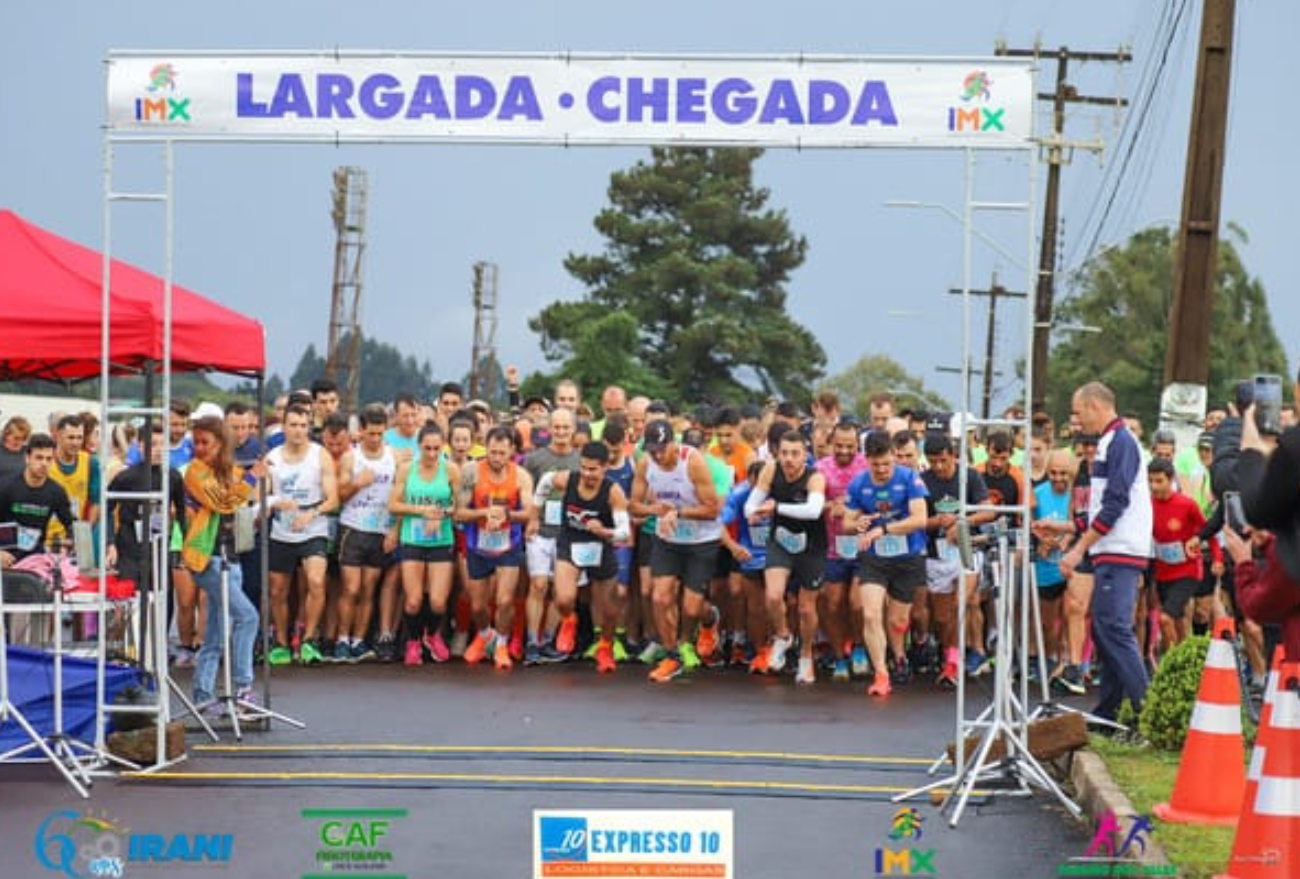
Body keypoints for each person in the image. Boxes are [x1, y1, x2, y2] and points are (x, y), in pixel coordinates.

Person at [1060, 382, 1153, 723]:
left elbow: (1116, 503)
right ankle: (1110, 714)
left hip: (1120, 549)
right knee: (1104, 629)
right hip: (1110, 549)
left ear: (1095, 406)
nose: (1076, 420)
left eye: (1078, 412)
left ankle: (1146, 712)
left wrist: (1078, 549)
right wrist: (1068, 530)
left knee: (1113, 628)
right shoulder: (1110, 442)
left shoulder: (1120, 441)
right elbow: (1102, 506)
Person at [629, 419, 723, 682]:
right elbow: (633, 505)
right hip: (668, 539)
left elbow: (713, 508)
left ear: (674, 442)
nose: (658, 455)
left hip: (701, 540)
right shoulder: (646, 463)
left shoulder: (692, 462)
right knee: (660, 597)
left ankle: (709, 618)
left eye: (662, 449)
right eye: (653, 450)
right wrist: (654, 510)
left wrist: (677, 512)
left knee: (691, 608)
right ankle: (672, 656)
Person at [180, 415, 262, 709]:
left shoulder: (232, 471)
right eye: (197, 442)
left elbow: (244, 503)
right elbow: (223, 502)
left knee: (214, 633)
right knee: (248, 616)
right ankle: (243, 687)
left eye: (206, 443)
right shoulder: (195, 471)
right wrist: (252, 479)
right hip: (206, 557)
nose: (200, 448)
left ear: (221, 444)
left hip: (232, 557)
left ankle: (202, 697)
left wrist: (253, 481)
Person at [844, 431, 930, 697]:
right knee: (870, 614)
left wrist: (885, 529)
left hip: (907, 555)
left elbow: (920, 519)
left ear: (894, 456)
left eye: (886, 463)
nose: (881, 470)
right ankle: (881, 674)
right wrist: (855, 525)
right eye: (875, 464)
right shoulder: (858, 484)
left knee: (897, 620)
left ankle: (899, 655)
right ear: (866, 460)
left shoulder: (909, 479)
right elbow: (846, 523)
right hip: (874, 557)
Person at [534, 442, 631, 672]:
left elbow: (625, 533)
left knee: (608, 609)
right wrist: (534, 512)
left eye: (593, 469)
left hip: (600, 547)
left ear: (605, 468)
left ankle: (605, 646)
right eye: (584, 468)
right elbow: (546, 480)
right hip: (571, 542)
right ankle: (569, 619)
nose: (587, 474)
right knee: (564, 598)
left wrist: (605, 531)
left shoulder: (613, 492)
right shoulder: (568, 479)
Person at [744, 429, 827, 684]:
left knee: (805, 607)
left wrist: (777, 507)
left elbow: (813, 511)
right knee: (772, 595)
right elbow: (750, 505)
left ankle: (805, 656)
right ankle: (783, 635)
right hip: (780, 539)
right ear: (777, 454)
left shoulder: (815, 478)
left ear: (805, 455)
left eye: (795, 454)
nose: (789, 460)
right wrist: (756, 512)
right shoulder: (770, 470)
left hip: (811, 545)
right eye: (784, 454)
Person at [264, 404, 339, 665]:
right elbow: (258, 496)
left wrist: (312, 513)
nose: (298, 430)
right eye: (293, 425)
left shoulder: (320, 455)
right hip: (282, 531)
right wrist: (275, 501)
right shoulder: (272, 457)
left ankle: (308, 639)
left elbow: (333, 499)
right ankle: (282, 642)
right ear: (283, 427)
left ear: (309, 427)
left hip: (313, 529)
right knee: (277, 591)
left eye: (303, 425)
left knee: (317, 582)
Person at [455, 425, 534, 670]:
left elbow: (530, 512)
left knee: (504, 600)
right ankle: (484, 634)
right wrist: (482, 513)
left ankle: (501, 644)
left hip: (508, 544)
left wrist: (506, 515)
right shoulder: (471, 472)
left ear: (511, 451)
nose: (496, 458)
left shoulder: (520, 476)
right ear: (485, 448)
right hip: (478, 545)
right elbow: (458, 511)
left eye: (502, 453)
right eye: (492, 452)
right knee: (477, 604)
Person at [389, 422, 461, 666]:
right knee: (413, 600)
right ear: (419, 446)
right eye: (427, 448)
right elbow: (394, 505)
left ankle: (432, 634)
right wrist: (422, 511)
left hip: (441, 539)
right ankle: (413, 640)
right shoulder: (406, 470)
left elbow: (459, 507)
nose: (431, 454)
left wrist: (440, 513)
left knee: (438, 600)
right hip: (413, 538)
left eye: (436, 449)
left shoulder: (450, 470)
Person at [334, 404, 398, 663]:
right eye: (371, 433)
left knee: (369, 589)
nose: (375, 439)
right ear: (361, 431)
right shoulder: (352, 457)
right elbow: (338, 494)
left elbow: (400, 493)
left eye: (380, 434)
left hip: (380, 529)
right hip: (353, 527)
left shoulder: (393, 456)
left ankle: (359, 640)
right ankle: (341, 639)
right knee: (351, 588)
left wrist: (394, 529)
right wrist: (357, 483)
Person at [0, 433, 73, 562]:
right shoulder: (6, 486)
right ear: (27, 458)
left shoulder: (56, 492)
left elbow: (72, 525)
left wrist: (67, 546)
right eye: (39, 458)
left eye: (49, 459)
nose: (44, 463)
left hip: (36, 559)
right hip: (5, 556)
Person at [0, 416, 32, 483]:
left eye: (23, 439)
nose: (20, 442)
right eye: (16, 438)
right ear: (6, 434)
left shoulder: (28, 451)